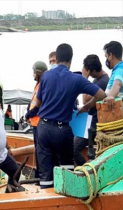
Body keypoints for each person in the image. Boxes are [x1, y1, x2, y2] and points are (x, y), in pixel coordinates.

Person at [33, 43, 106, 189]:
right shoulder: (76, 79)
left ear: (57, 58)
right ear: (71, 60)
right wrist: (87, 106)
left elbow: (38, 102)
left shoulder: (46, 76)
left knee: (46, 173)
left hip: (44, 129)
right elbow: (101, 95)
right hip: (62, 131)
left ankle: (47, 195)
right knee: (66, 170)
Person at [74, 55, 109, 166]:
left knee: (73, 148)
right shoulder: (97, 80)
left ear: (92, 71)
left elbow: (85, 100)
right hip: (90, 122)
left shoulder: (102, 82)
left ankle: (87, 172)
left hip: (94, 124)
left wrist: (84, 78)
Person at [25, 61, 48, 179]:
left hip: (39, 123)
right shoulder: (38, 85)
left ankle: (41, 177)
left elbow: (38, 106)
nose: (33, 75)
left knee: (41, 152)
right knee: (38, 151)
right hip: (35, 123)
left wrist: (28, 114)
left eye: (34, 72)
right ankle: (39, 176)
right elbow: (33, 101)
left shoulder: (43, 85)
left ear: (38, 73)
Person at [102, 41, 123, 109]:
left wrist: (110, 96)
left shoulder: (120, 69)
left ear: (110, 55)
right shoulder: (117, 69)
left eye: (106, 56)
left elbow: (117, 83)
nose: (106, 60)